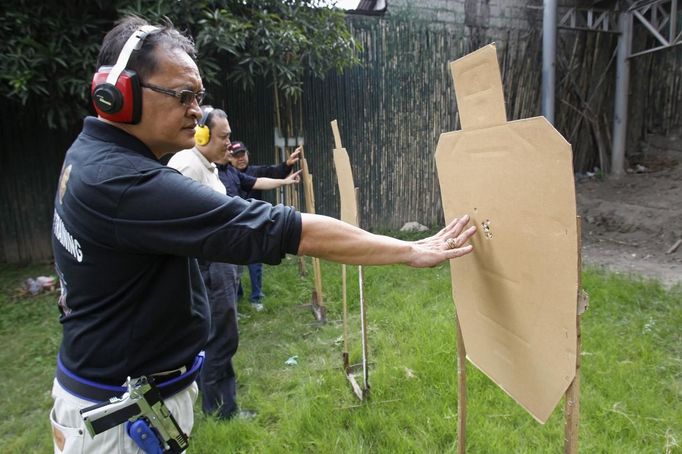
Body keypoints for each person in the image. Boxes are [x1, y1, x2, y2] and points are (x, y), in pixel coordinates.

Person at [49, 15, 476, 454]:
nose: (196, 111)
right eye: (183, 96)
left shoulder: (90, 155)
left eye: (198, 97)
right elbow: (284, 229)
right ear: (117, 93)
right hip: (120, 421)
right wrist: (408, 250)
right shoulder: (125, 185)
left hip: (112, 401)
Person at [167, 105, 243, 420]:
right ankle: (220, 409)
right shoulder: (188, 165)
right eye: (223, 137)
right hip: (209, 267)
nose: (229, 144)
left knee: (224, 335)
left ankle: (221, 402)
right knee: (221, 338)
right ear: (202, 133)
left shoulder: (208, 166)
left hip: (220, 263)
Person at [228, 140, 302, 311]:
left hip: (255, 226)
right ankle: (237, 297)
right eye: (236, 156)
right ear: (229, 157)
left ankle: (256, 298)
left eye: (243, 154)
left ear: (247, 155)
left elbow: (274, 172)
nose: (241, 159)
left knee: (255, 263)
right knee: (233, 264)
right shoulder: (227, 175)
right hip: (235, 227)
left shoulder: (255, 172)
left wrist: (288, 164)